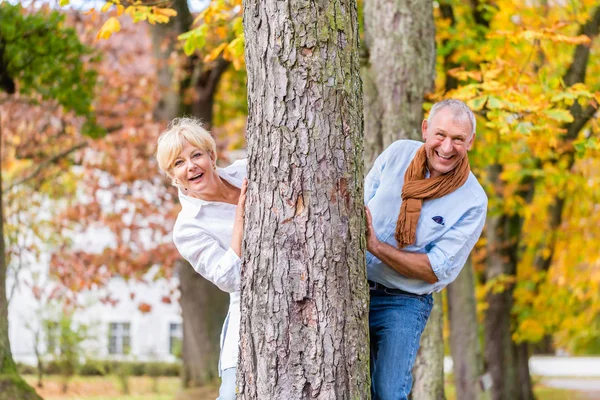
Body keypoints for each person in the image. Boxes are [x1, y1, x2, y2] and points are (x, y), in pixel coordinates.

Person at [364, 99, 488, 399]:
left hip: (403, 302)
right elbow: (361, 206)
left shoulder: (473, 201)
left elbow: (434, 269)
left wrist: (376, 247)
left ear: (470, 142)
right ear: (425, 129)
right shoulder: (397, 154)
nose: (447, 148)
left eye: (458, 139)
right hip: (352, 289)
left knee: (389, 392)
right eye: (440, 135)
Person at [156, 117, 247, 400]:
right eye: (178, 163)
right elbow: (230, 278)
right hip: (250, 319)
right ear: (173, 176)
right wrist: (242, 218)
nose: (191, 166)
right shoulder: (187, 228)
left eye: (196, 155)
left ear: (212, 155)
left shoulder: (247, 171)